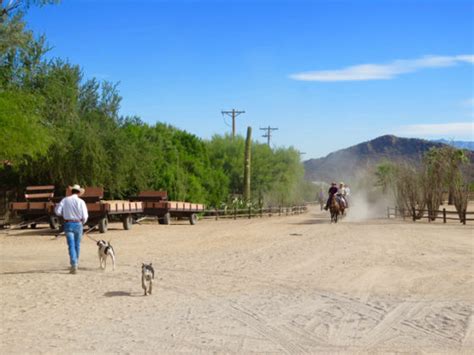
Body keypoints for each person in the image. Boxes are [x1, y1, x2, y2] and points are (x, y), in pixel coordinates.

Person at [55, 184, 88, 274]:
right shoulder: (81, 202)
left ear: (71, 191)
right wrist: (82, 223)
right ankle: (75, 263)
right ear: (78, 192)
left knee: (71, 245)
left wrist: (65, 214)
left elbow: (57, 212)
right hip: (78, 223)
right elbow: (85, 216)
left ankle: (74, 264)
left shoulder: (65, 200)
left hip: (68, 223)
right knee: (77, 245)